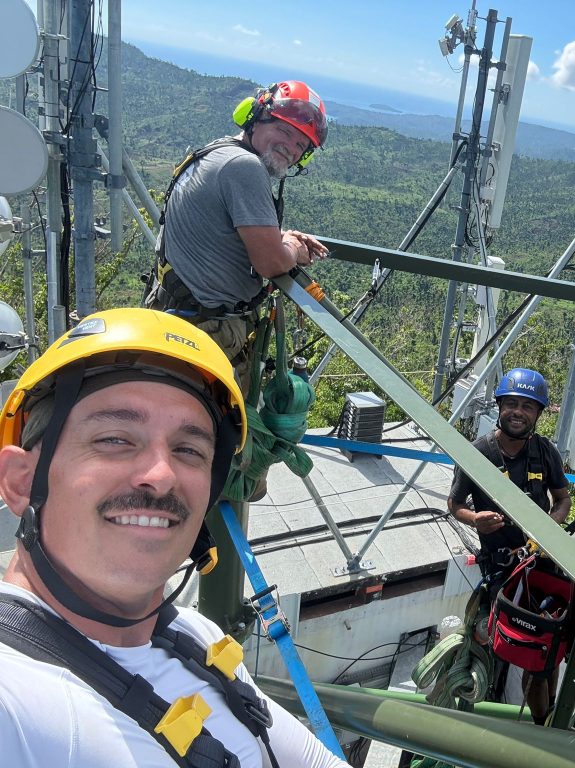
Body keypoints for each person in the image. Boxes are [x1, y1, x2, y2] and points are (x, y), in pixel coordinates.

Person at [0, 308, 347, 767]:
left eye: (189, 449)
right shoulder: (13, 699)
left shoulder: (191, 637)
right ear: (22, 482)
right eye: (115, 439)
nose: (161, 476)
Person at [145, 80, 330, 394]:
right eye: (286, 132)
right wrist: (292, 249)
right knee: (219, 432)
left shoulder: (217, 152)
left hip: (176, 315)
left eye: (302, 145)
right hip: (207, 332)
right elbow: (271, 263)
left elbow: (221, 231)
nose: (292, 148)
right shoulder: (244, 167)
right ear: (255, 118)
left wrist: (278, 237)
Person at [447, 368, 571, 724]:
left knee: (545, 648)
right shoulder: (479, 453)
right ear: (500, 406)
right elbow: (454, 505)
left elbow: (562, 499)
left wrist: (550, 525)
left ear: (537, 414)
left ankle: (544, 719)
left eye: (528, 407)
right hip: (501, 567)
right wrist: (476, 520)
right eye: (512, 404)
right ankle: (484, 696)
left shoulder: (544, 452)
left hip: (540, 562)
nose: (518, 412)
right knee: (499, 641)